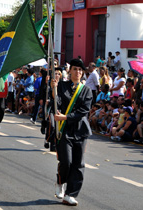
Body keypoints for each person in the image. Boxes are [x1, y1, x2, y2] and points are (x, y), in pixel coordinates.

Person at [51, 58, 92, 206]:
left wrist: (67, 116)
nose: (78, 72)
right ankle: (60, 182)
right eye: (75, 69)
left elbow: (83, 111)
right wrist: (54, 90)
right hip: (64, 129)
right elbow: (58, 104)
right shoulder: (62, 85)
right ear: (70, 71)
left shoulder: (86, 90)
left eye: (80, 70)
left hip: (80, 130)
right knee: (66, 162)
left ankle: (70, 194)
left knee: (78, 164)